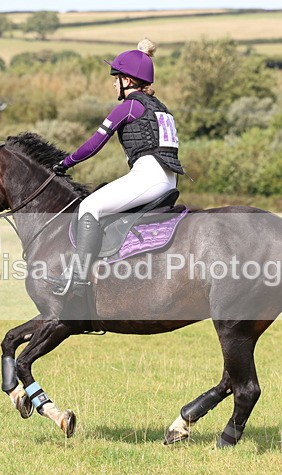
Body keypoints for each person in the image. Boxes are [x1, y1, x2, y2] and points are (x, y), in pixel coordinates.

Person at [51, 38, 185, 296]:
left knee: (89, 206)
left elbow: (93, 144)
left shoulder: (130, 106)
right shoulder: (161, 108)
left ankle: (78, 279)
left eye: (116, 78)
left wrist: (64, 163)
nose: (113, 83)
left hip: (149, 175)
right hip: (168, 180)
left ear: (128, 81)